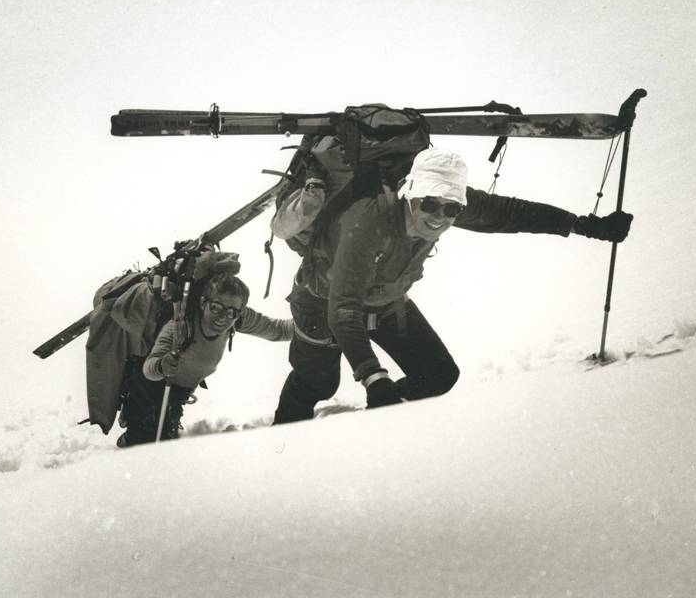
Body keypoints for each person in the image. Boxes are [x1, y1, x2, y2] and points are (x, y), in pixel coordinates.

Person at [270, 146, 633, 423]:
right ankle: (282, 449)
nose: (439, 217)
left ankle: (374, 430)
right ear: (410, 194)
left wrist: (585, 225)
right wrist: (372, 376)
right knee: (318, 383)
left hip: (385, 301)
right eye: (430, 205)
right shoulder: (368, 220)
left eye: (451, 210)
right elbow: (343, 307)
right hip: (321, 301)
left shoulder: (445, 201)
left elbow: (508, 213)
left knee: (439, 376)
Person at [117, 271, 293, 447]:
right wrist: (162, 366)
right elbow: (148, 369)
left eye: (231, 312)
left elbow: (278, 330)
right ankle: (131, 436)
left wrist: (312, 326)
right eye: (216, 307)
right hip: (150, 389)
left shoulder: (237, 317)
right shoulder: (180, 326)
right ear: (203, 303)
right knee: (145, 447)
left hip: (177, 393)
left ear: (240, 313)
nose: (223, 316)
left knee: (166, 442)